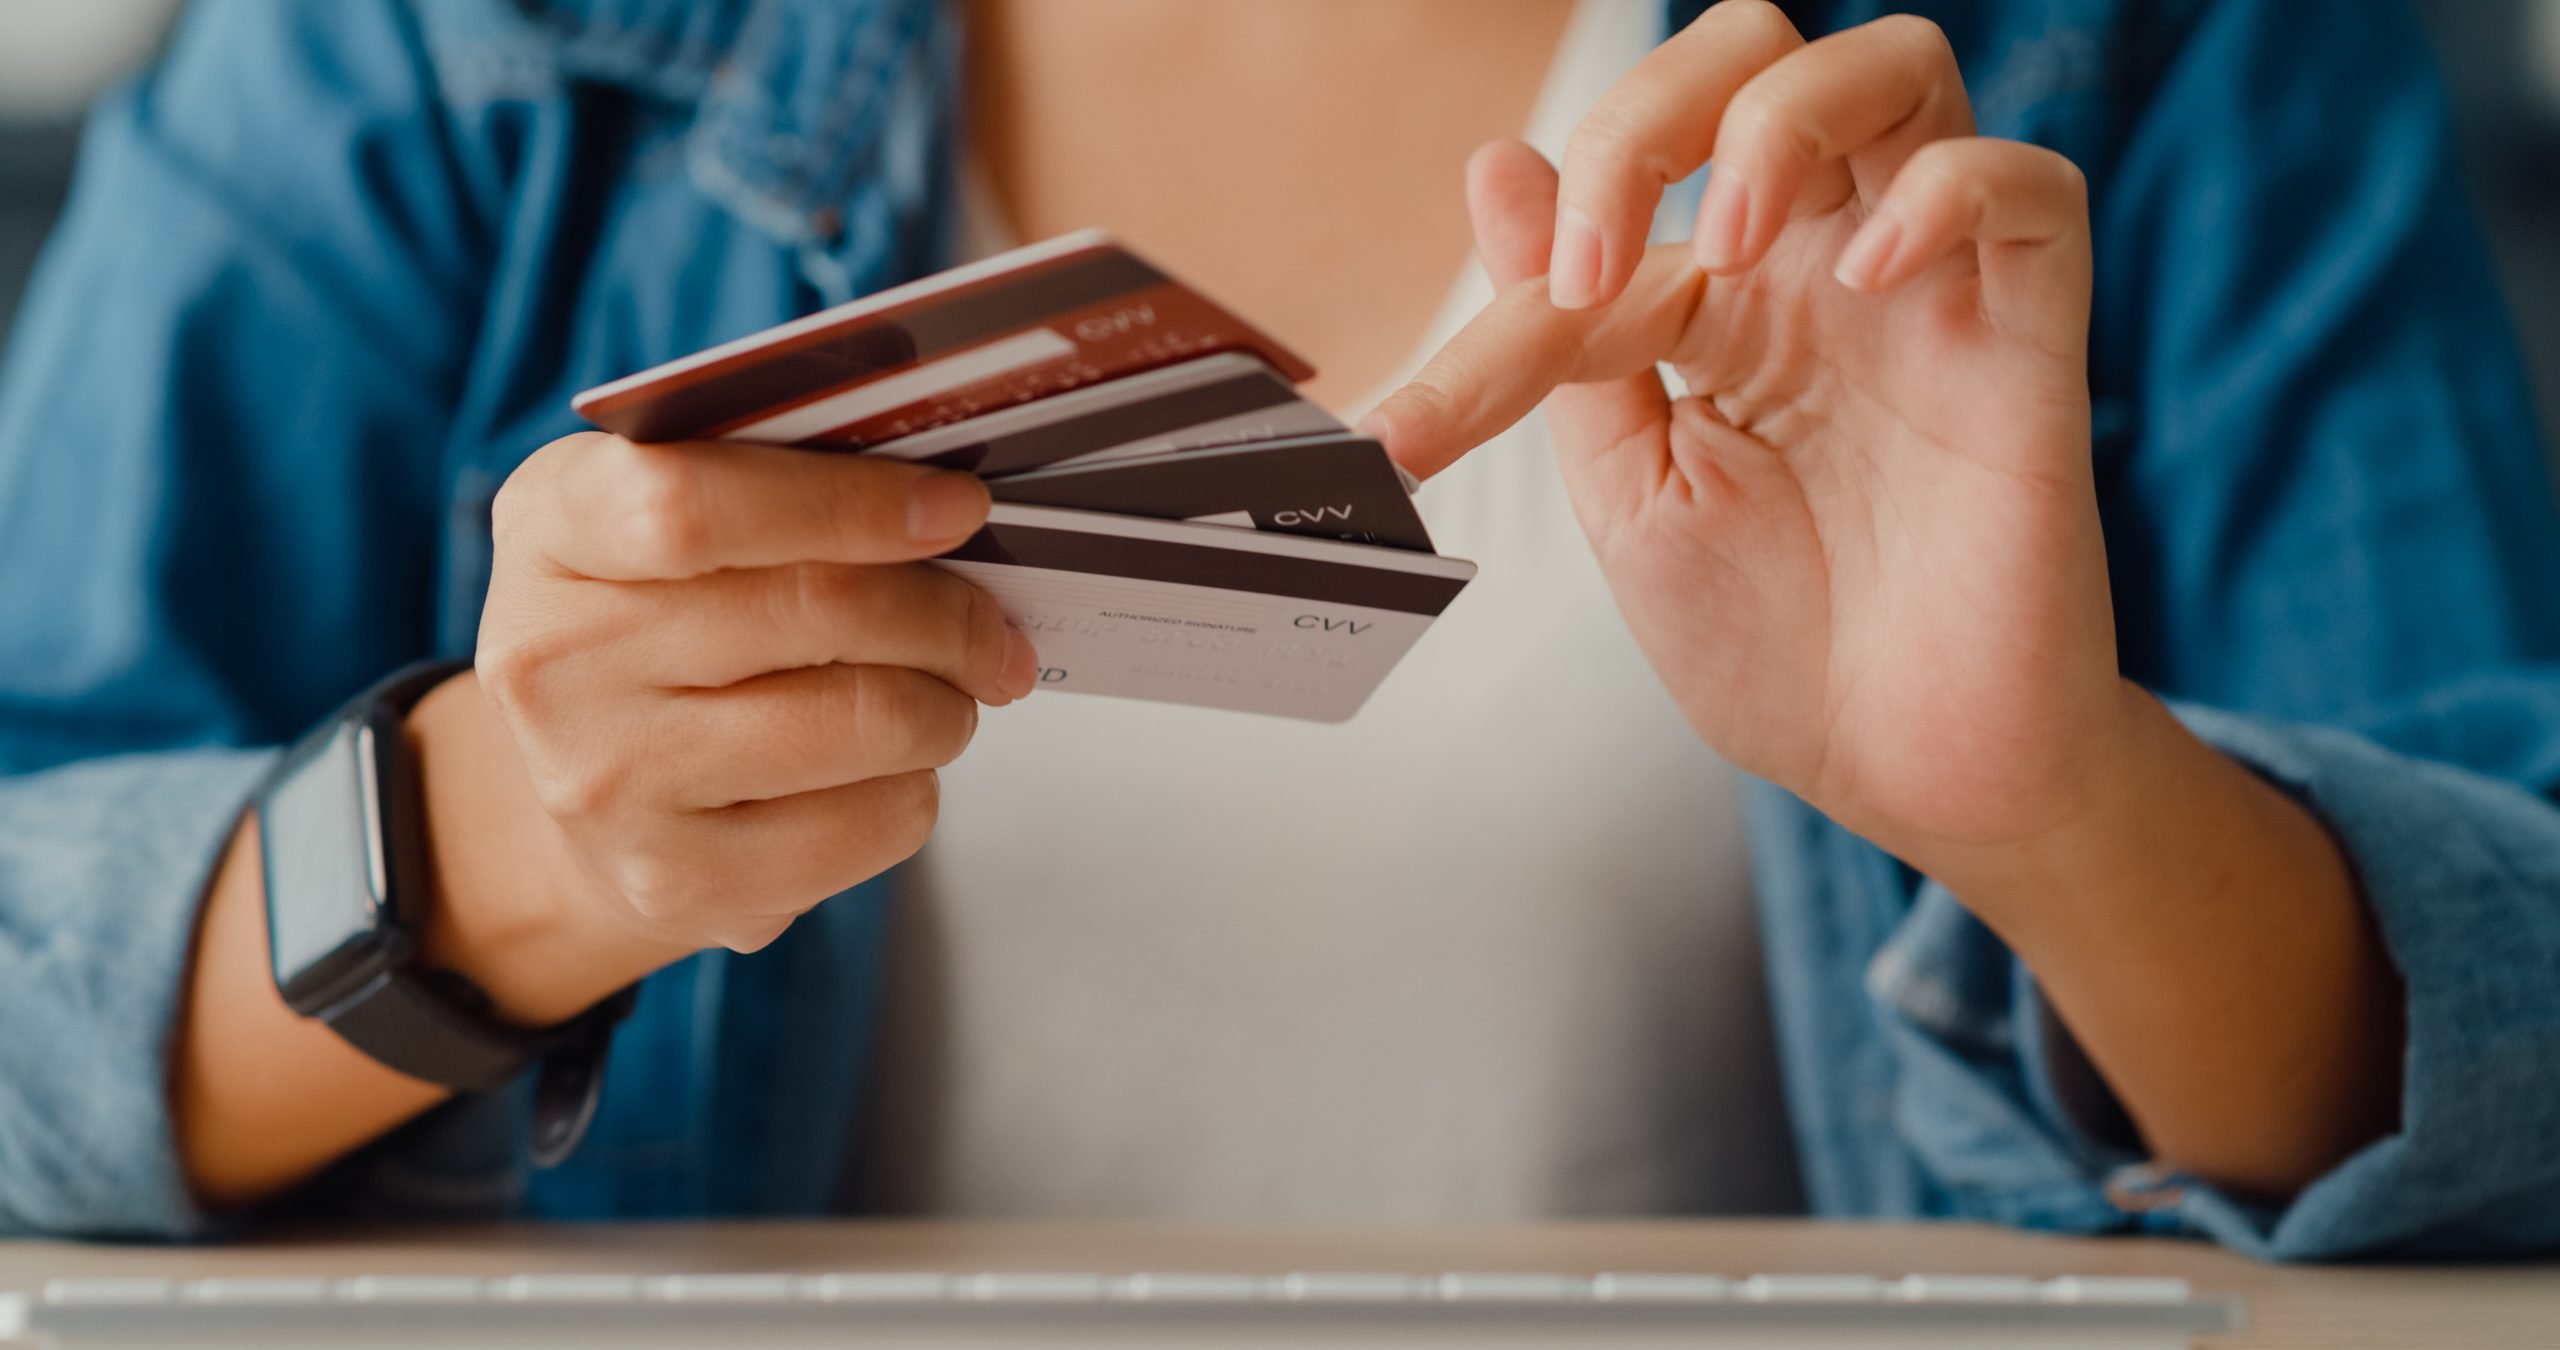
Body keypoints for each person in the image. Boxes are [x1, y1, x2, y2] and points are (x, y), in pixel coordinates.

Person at [1, 0, 2555, 1260]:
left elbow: (2517, 1061)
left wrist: (2058, 809)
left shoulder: (2157, 39)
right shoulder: (431, 42)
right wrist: (475, 862)